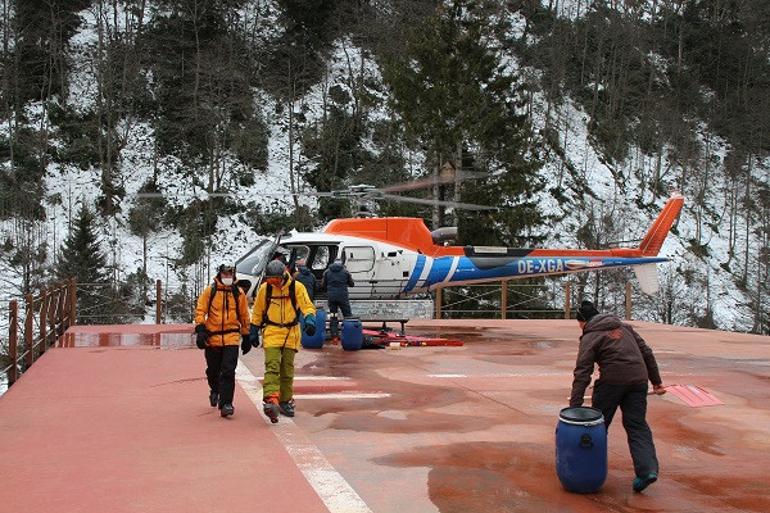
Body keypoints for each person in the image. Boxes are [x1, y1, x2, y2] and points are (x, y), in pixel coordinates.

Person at [569, 300, 666, 493]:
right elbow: (647, 353)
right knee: (637, 425)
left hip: (611, 383)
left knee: (597, 427)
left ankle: (588, 471)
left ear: (584, 321)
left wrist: (575, 405)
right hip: (639, 381)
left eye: (579, 323)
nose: (579, 327)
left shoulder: (590, 336)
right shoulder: (625, 328)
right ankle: (647, 470)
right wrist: (656, 382)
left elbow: (583, 371)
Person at [250, 260, 316, 423]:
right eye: (270, 280)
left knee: (287, 370)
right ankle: (271, 400)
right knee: (272, 366)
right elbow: (258, 311)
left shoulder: (296, 288)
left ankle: (285, 401)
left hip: (290, 332)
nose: (273, 283)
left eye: (275, 280)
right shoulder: (265, 289)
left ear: (282, 276)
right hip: (272, 331)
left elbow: (307, 305)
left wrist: (309, 319)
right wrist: (253, 329)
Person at [194, 264, 252, 418]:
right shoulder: (210, 291)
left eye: (230, 274)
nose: (227, 277)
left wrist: (246, 335)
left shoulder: (238, 293)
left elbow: (244, 315)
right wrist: (200, 329)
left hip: (231, 337)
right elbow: (200, 310)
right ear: (220, 274)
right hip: (213, 337)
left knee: (228, 370)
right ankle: (215, 389)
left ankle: (226, 403)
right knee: (213, 370)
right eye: (225, 274)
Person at [321, 258, 354, 342]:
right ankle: (349, 335)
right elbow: (352, 284)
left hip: (332, 298)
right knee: (347, 316)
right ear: (341, 264)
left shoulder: (327, 272)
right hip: (343, 297)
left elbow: (323, 286)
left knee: (333, 316)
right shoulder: (345, 272)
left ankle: (334, 336)